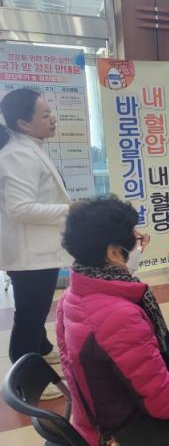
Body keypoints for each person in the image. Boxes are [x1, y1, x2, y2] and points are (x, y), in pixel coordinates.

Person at [57, 196, 169, 446]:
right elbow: (157, 397)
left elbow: (126, 372)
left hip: (98, 413)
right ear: (113, 252)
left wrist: (165, 385)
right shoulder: (118, 316)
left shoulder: (72, 294)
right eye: (135, 239)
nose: (138, 245)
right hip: (119, 430)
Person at [0, 89, 72, 398]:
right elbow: (21, 209)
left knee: (36, 309)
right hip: (29, 255)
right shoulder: (18, 155)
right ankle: (26, 381)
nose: (52, 119)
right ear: (23, 123)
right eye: (44, 115)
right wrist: (70, 210)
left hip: (38, 249)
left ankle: (41, 349)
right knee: (29, 316)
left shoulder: (29, 147)